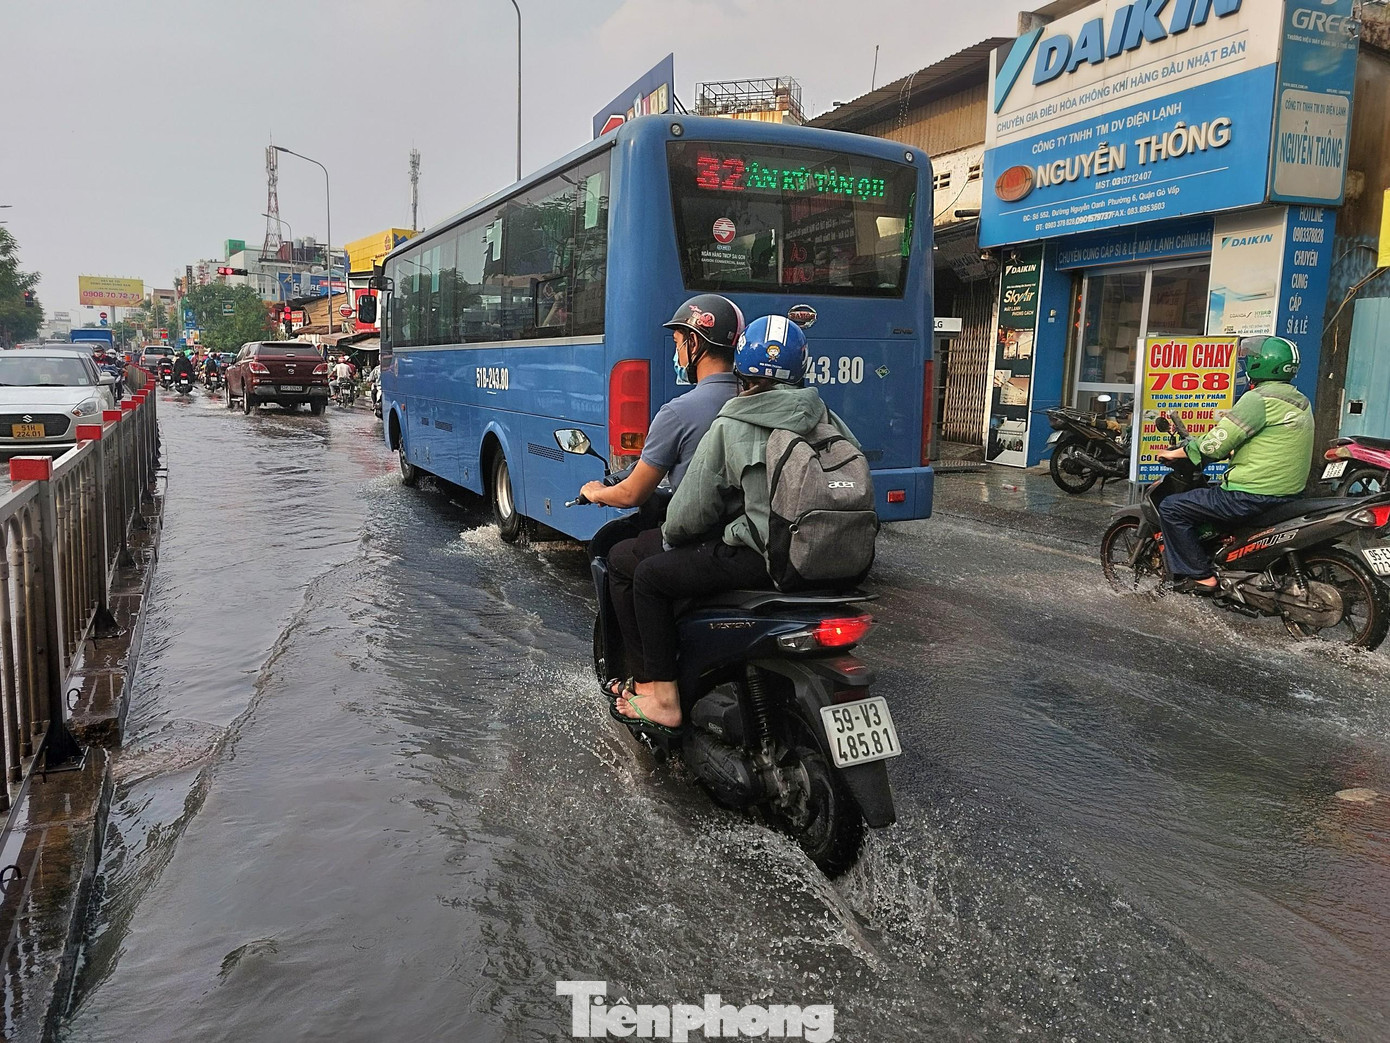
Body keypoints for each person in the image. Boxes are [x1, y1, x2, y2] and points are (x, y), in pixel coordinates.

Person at [612, 315, 860, 736]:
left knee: (650, 576)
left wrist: (675, 539)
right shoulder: (827, 418)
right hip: (834, 559)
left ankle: (664, 701)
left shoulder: (733, 422)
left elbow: (687, 517)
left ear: (742, 368)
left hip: (765, 559)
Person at [584, 295, 744, 700]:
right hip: (750, 535)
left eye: (678, 342)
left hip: (704, 540)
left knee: (622, 560)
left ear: (696, 344)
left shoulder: (679, 411)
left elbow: (634, 491)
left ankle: (650, 686)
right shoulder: (754, 399)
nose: (676, 351)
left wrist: (598, 491)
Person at [1155, 335, 1314, 594]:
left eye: (1250, 358)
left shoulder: (1259, 399)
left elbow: (1214, 445)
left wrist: (1180, 452)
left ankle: (1201, 576)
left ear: (1260, 364)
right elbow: (1270, 444)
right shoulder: (1299, 400)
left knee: (1173, 507)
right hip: (1288, 493)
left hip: (1251, 495)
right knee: (1210, 495)